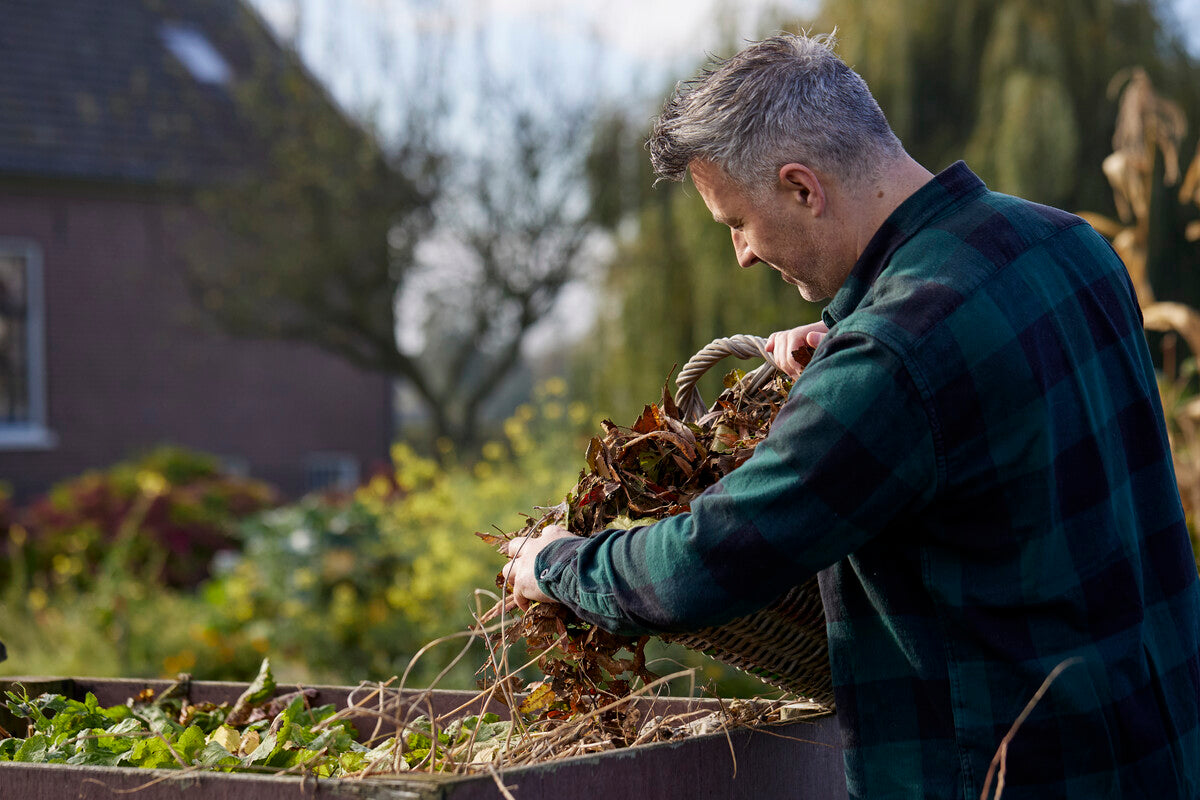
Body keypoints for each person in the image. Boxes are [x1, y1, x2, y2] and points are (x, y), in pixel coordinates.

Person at [502, 32, 1200, 799]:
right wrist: (848, 351)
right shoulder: (1071, 245)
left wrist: (557, 564)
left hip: (1020, 775)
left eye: (737, 220)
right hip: (1158, 745)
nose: (740, 253)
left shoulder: (897, 355)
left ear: (803, 188)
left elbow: (711, 561)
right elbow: (1001, 433)